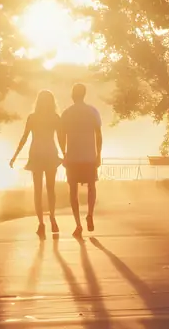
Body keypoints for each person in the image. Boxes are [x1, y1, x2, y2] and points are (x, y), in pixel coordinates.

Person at [10, 90, 62, 237]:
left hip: (36, 154)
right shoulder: (55, 117)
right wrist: (65, 154)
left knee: (37, 191)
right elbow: (61, 137)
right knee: (51, 189)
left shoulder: (32, 117)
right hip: (50, 153)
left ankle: (41, 223)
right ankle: (52, 217)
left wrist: (15, 156)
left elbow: (24, 137)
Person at [59, 82, 102, 238]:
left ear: (73, 95)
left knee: (73, 191)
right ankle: (90, 214)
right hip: (89, 156)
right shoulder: (92, 111)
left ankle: (78, 224)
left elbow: (61, 135)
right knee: (91, 186)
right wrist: (98, 154)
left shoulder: (67, 113)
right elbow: (98, 134)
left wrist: (64, 152)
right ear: (84, 94)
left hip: (73, 157)